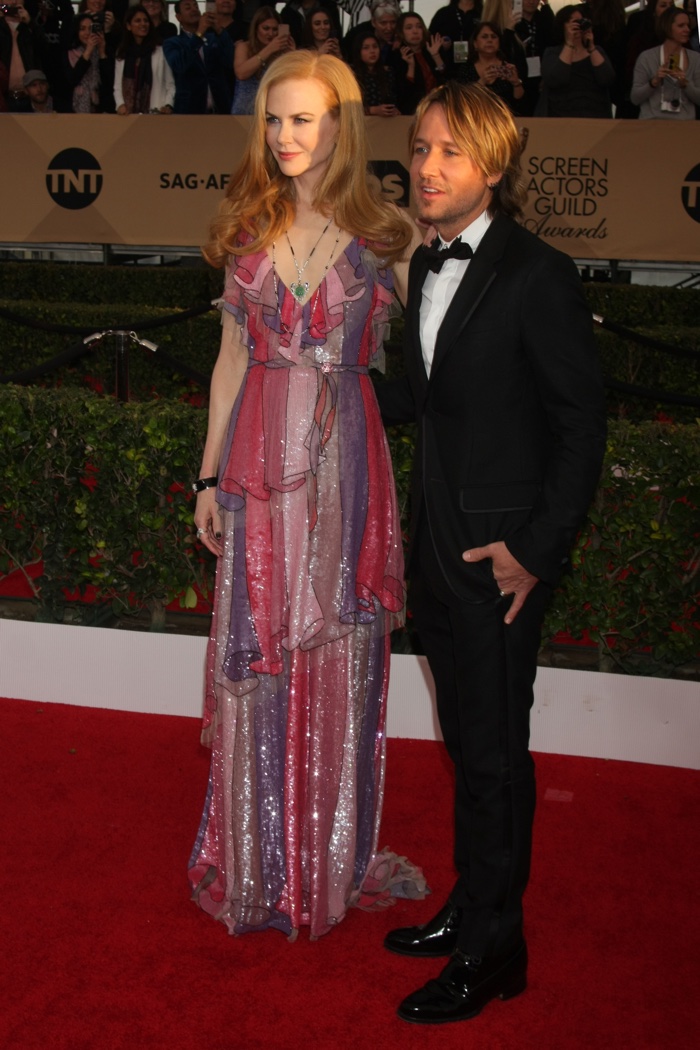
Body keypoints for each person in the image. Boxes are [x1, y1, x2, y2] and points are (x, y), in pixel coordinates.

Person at [377, 80, 606, 1024]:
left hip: (498, 564)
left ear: (493, 169)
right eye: (422, 149)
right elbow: (417, 403)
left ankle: (494, 951)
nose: (428, 168)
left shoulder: (537, 274)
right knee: (468, 746)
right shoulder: (419, 265)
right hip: (435, 550)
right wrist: (307, 378)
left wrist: (535, 552)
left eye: (451, 155)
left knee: (496, 757)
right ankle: (474, 907)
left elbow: (581, 424)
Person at [189, 50, 425, 941]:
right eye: (275, 120)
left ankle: (328, 859)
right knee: (261, 650)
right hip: (255, 464)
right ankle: (257, 857)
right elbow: (229, 362)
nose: (286, 136)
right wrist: (207, 477)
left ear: (343, 125)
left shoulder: (388, 233)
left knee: (335, 648)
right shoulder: (247, 224)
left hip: (345, 468)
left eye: (305, 119)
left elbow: (449, 356)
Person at [539, 3, 615, 117]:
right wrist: (569, 43)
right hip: (561, 116)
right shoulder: (552, 53)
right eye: (572, 22)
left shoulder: (596, 50)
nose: (577, 25)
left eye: (580, 21)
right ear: (562, 25)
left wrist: (591, 47)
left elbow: (607, 78)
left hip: (595, 115)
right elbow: (556, 80)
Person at [163, 0, 234, 113]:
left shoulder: (213, 38)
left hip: (220, 108)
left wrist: (219, 30)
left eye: (196, 6)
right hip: (189, 110)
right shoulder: (172, 43)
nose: (194, 9)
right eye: (188, 8)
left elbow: (230, 61)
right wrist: (199, 33)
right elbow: (180, 65)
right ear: (178, 17)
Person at [631, 5, 700, 119]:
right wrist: (654, 82)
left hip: (684, 126)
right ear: (667, 27)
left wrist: (686, 84)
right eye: (681, 26)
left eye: (688, 25)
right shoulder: (647, 57)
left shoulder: (696, 59)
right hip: (652, 124)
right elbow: (635, 98)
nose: (687, 29)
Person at [231, 6, 293, 114]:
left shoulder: (281, 53)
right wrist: (269, 49)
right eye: (266, 28)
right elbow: (241, 73)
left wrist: (293, 55)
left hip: (271, 112)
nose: (270, 34)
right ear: (256, 29)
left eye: (275, 29)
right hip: (243, 113)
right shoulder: (244, 47)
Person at [114, 4, 174, 113]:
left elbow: (170, 84)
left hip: (156, 113)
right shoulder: (122, 52)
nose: (143, 24)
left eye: (146, 21)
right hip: (127, 115)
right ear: (128, 26)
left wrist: (168, 105)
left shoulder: (160, 50)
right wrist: (120, 104)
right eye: (137, 21)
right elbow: (117, 85)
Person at [458, 20, 525, 114]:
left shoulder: (507, 67)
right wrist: (482, 82)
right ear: (475, 43)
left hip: (504, 119)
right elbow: (462, 101)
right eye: (484, 37)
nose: (490, 40)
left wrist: (516, 82)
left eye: (493, 37)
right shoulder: (466, 69)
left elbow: (519, 102)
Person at [393, 10, 447, 115]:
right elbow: (404, 92)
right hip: (412, 112)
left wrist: (436, 56)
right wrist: (411, 66)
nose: (415, 31)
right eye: (409, 28)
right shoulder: (397, 56)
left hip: (439, 108)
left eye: (419, 26)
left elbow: (445, 77)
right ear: (401, 32)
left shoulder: (431, 49)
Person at [63, 11, 114, 112]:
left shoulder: (102, 51)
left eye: (91, 29)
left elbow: (109, 81)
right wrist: (88, 52)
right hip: (75, 108)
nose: (87, 33)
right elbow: (72, 80)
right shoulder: (70, 53)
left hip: (100, 109)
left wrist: (102, 52)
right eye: (82, 29)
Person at [514, 0, 555, 115]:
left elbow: (553, 42)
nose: (531, 1)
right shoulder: (513, 20)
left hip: (543, 74)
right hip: (520, 75)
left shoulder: (544, 19)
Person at [351, 29, 400, 116]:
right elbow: (347, 108)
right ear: (358, 52)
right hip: (361, 124)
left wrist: (393, 110)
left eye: (375, 47)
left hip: (385, 123)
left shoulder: (388, 72)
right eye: (366, 48)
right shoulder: (351, 74)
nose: (372, 51)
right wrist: (373, 110)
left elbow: (394, 100)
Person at [429, 0, 483, 74]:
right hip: (446, 67)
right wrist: (441, 45)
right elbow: (430, 40)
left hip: (478, 67)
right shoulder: (443, 13)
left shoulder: (484, 13)